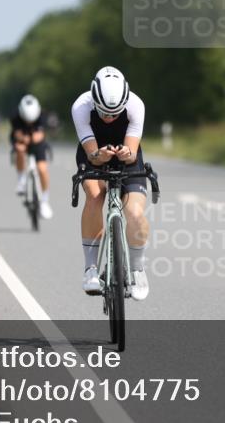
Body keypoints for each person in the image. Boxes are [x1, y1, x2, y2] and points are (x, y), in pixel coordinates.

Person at [71, 66, 150, 301]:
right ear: (94, 101)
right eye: (104, 113)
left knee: (135, 213)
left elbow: (132, 153)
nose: (109, 118)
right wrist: (99, 156)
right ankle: (91, 269)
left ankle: (137, 270)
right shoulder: (81, 106)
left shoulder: (136, 105)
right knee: (95, 197)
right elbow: (92, 155)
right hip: (94, 154)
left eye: (115, 114)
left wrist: (127, 153)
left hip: (127, 157)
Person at [11, 94, 53, 219]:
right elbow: (17, 134)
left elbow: (39, 136)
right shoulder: (15, 116)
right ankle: (21, 180)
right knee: (20, 150)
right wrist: (23, 141)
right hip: (21, 139)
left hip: (37, 142)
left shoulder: (42, 115)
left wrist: (32, 138)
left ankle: (44, 200)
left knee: (42, 169)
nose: (29, 122)